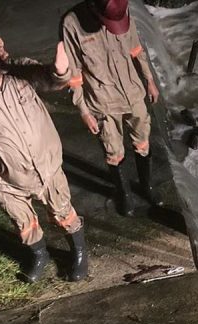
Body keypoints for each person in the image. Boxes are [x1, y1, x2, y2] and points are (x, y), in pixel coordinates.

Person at [0, 27, 88, 283]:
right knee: (25, 226)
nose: (5, 53)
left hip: (48, 167)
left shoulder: (18, 70)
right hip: (8, 181)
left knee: (64, 212)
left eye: (3, 47)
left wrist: (60, 70)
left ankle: (78, 252)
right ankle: (39, 255)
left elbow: (49, 79)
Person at [61, 0, 162, 217]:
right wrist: (84, 111)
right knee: (113, 150)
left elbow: (136, 48)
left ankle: (147, 186)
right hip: (102, 101)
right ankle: (124, 193)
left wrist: (149, 79)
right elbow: (74, 73)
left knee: (143, 141)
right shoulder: (72, 23)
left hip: (133, 92)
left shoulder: (122, 8)